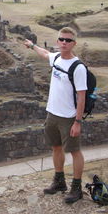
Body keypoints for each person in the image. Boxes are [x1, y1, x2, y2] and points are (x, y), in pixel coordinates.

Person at [24, 27, 87, 204]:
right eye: (62, 39)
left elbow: (81, 97)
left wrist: (77, 122)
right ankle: (59, 181)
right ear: (58, 41)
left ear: (74, 43)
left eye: (68, 40)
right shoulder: (57, 58)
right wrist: (31, 45)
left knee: (75, 151)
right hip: (52, 113)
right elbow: (45, 54)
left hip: (68, 116)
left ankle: (76, 188)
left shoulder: (78, 67)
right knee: (56, 147)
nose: (64, 43)